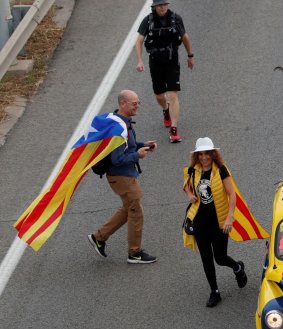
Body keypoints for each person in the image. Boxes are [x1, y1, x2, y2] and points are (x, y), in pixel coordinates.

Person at [87, 90, 158, 264]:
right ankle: (135, 253)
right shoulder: (119, 128)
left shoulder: (120, 122)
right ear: (123, 104)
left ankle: (99, 237)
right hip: (122, 177)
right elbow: (117, 159)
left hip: (122, 176)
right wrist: (138, 155)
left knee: (129, 209)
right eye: (134, 103)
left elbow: (128, 146)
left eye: (138, 102)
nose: (138, 106)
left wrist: (143, 145)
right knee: (137, 212)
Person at [182, 137, 248, 307]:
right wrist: (189, 195)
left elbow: (231, 194)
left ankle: (238, 268)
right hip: (199, 223)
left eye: (207, 154)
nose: (204, 157)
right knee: (206, 258)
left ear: (213, 154)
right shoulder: (193, 170)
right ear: (197, 156)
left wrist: (230, 217)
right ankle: (214, 291)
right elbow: (186, 185)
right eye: (200, 154)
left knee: (220, 257)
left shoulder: (221, 170)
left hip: (218, 222)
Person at [135, 0, 194, 143]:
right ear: (154, 7)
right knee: (160, 96)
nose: (163, 7)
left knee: (172, 94)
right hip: (155, 61)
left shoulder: (176, 18)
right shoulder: (148, 21)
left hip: (172, 59)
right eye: (160, 5)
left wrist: (190, 55)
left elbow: (185, 37)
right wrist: (139, 60)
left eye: (165, 4)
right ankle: (166, 110)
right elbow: (139, 41)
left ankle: (174, 129)